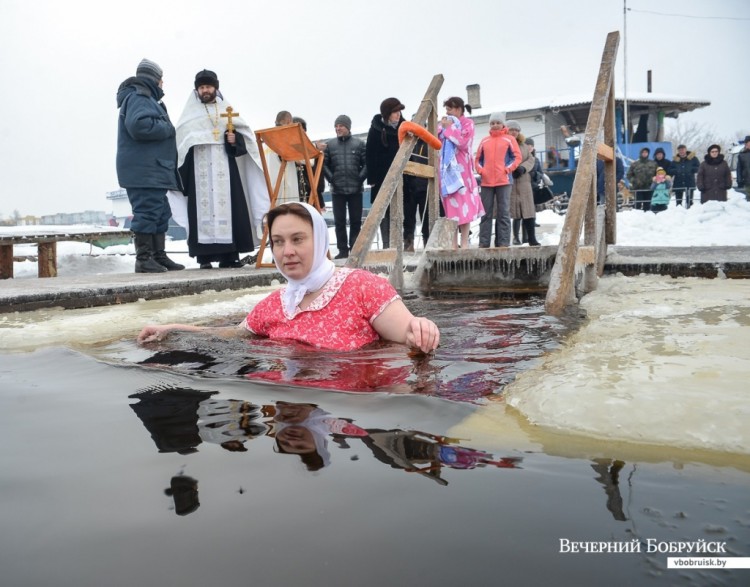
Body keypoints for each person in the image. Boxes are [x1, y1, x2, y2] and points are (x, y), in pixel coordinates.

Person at [137, 202, 440, 353]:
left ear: (320, 240)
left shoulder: (362, 286)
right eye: (278, 242)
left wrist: (423, 331)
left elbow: (410, 335)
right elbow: (232, 334)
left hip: (348, 404)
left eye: (298, 239)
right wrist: (172, 328)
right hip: (287, 399)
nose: (287, 251)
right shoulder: (274, 304)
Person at [167, 70, 269, 269]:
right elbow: (180, 145)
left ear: (216, 88)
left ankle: (229, 257)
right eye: (202, 87)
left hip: (225, 171)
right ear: (197, 90)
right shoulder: (189, 117)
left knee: (230, 209)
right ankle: (204, 258)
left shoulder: (227, 111)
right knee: (201, 211)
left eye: (208, 87)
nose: (205, 90)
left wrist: (235, 141)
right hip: (199, 173)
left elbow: (245, 142)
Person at [116, 58, 185, 273]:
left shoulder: (146, 99)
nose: (163, 84)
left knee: (160, 212)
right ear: (155, 79)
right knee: (147, 213)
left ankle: (158, 256)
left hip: (151, 170)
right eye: (161, 79)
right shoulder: (139, 96)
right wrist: (168, 128)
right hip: (144, 170)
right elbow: (139, 126)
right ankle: (143, 259)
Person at [437, 96, 485, 249]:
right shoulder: (443, 124)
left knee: (465, 205)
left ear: (458, 109)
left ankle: (464, 242)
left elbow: (463, 143)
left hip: (462, 171)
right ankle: (453, 243)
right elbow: (437, 139)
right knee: (451, 209)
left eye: (450, 109)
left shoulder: (467, 124)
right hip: (447, 170)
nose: (448, 112)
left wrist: (449, 129)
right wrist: (444, 128)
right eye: (446, 109)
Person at [474, 112, 520, 248]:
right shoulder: (484, 141)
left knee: (504, 213)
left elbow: (517, 157)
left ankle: (503, 243)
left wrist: (507, 169)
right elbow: (478, 159)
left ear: (503, 124)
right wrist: (481, 170)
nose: (495, 125)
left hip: (504, 181)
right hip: (486, 182)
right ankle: (484, 243)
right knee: (485, 213)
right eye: (492, 123)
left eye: (498, 123)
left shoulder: (509, 139)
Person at [323, 114, 367, 259]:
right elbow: (324, 164)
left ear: (347, 127)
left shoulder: (359, 144)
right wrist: (332, 178)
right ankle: (342, 250)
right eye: (336, 126)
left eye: (340, 125)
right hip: (337, 190)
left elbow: (367, 164)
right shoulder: (330, 145)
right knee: (339, 222)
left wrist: (360, 178)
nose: (338, 128)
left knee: (355, 221)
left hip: (356, 189)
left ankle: (354, 250)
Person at [366, 98, 405, 248]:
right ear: (387, 113)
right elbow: (370, 153)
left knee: (401, 209)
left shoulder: (404, 127)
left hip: (402, 176)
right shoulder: (376, 128)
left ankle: (400, 242)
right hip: (381, 176)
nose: (398, 114)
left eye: (399, 111)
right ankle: (387, 244)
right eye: (395, 111)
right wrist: (372, 178)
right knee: (384, 211)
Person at [506, 121, 540, 246]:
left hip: (524, 181)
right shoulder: (504, 143)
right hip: (508, 181)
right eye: (511, 129)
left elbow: (531, 159)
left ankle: (531, 238)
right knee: (511, 211)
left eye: (516, 130)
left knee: (528, 210)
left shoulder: (524, 146)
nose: (514, 132)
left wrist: (522, 168)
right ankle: (512, 238)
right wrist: (512, 168)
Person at [264, 110, 300, 205]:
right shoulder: (288, 137)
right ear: (288, 121)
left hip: (271, 185)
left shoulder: (267, 137)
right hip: (286, 185)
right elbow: (305, 158)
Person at [403, 137, 430, 252]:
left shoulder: (428, 144)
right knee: (408, 218)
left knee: (426, 218)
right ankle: (409, 243)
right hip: (409, 186)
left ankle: (427, 241)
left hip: (424, 186)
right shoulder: (407, 143)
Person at [292, 116, 326, 207]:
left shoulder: (308, 145)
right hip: (297, 188)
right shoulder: (291, 145)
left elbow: (310, 162)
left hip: (309, 188)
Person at [669, 144, 700, 208]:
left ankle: (690, 213)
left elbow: (699, 167)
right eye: (680, 150)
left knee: (689, 202)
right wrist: (676, 171)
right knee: (678, 202)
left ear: (685, 150)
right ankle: (678, 214)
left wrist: (691, 169)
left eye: (683, 150)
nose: (681, 151)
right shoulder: (675, 160)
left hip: (689, 182)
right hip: (678, 182)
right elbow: (670, 170)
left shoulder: (693, 158)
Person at [735, 136, 750, 200]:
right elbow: (739, 169)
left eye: (747, 143)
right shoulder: (742, 155)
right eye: (746, 143)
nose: (746, 144)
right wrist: (739, 181)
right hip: (748, 182)